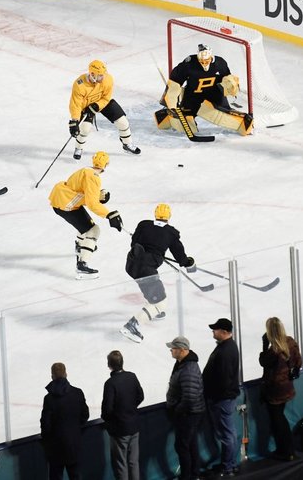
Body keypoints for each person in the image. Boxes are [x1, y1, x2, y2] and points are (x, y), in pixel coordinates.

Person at [119, 203, 195, 342]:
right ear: (169, 216)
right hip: (146, 269)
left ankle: (153, 309)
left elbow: (134, 242)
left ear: (155, 213)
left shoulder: (143, 225)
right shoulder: (171, 233)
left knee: (150, 290)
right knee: (161, 302)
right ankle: (132, 326)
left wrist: (153, 248)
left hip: (131, 264)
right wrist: (188, 262)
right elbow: (180, 256)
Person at [49, 150, 122, 279]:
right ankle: (82, 265)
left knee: (85, 227)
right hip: (67, 206)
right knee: (94, 230)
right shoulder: (94, 176)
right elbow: (92, 204)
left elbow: (78, 190)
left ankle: (81, 246)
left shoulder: (85, 170)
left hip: (62, 200)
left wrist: (99, 195)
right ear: (106, 165)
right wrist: (110, 214)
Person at [158, 44, 252, 137]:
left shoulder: (220, 63)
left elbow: (228, 78)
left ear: (211, 57)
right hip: (193, 96)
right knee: (184, 122)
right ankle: (166, 116)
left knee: (225, 117)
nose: (204, 63)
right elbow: (175, 81)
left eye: (207, 60)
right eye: (201, 61)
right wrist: (171, 101)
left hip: (215, 96)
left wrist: (231, 85)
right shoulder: (189, 63)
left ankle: (245, 124)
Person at [68, 60, 140, 161]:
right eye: (100, 75)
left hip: (102, 102)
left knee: (123, 122)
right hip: (85, 107)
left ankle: (127, 144)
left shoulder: (108, 79)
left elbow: (106, 98)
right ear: (92, 74)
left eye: (103, 74)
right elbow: (75, 104)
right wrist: (74, 121)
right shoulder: (79, 85)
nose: (103, 77)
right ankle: (78, 148)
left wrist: (97, 105)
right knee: (85, 129)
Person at [259, 316, 302, 461]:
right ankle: (286, 449)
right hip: (286, 387)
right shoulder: (290, 342)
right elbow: (298, 361)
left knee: (277, 420)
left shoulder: (274, 351)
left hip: (275, 391)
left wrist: (264, 345)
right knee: (280, 418)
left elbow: (263, 362)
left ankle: (287, 450)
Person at [202, 317, 241, 476]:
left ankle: (228, 466)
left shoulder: (225, 351)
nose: (213, 331)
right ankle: (230, 463)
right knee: (228, 433)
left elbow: (223, 379)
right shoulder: (227, 346)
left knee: (226, 434)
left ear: (224, 332)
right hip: (224, 397)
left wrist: (214, 397)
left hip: (222, 399)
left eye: (215, 329)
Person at [40, 362, 89, 480]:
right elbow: (85, 415)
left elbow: (46, 425)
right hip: (74, 445)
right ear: (66, 374)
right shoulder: (77, 393)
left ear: (52, 376)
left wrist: (47, 440)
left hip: (56, 448)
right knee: (76, 476)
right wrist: (75, 430)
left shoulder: (49, 399)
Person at [166, 335, 205, 480]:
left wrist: (177, 410)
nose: (170, 350)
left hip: (188, 414)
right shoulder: (182, 364)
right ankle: (194, 473)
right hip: (188, 413)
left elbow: (189, 396)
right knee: (191, 443)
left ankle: (187, 476)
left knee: (182, 446)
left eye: (173, 348)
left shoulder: (188, 369)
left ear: (182, 350)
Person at [102, 350, 145, 480]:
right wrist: (130, 408)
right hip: (134, 427)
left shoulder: (110, 383)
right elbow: (140, 396)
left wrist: (113, 418)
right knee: (133, 462)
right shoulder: (131, 376)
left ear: (109, 365)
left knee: (121, 464)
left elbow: (107, 410)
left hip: (120, 430)